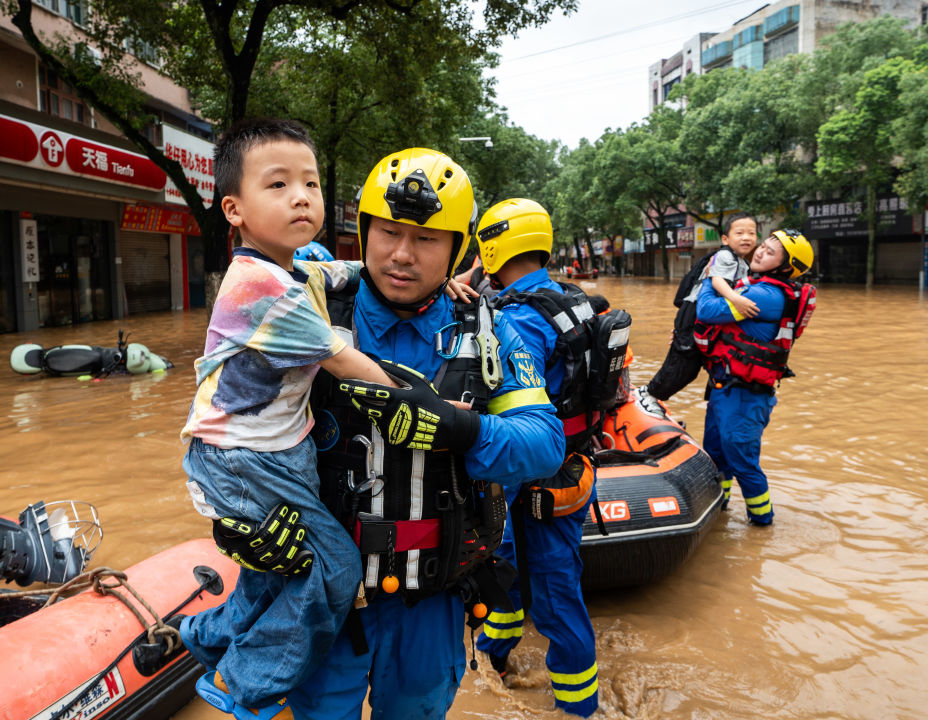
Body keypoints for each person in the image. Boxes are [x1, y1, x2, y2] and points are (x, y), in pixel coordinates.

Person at [205, 148, 566, 720]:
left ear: (458, 248)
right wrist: (239, 525)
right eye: (388, 233)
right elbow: (226, 423)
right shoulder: (306, 299)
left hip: (433, 600)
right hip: (321, 597)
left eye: (426, 239)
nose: (401, 255)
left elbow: (544, 445)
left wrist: (461, 429)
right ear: (363, 230)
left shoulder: (488, 330)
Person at [178, 117, 400, 720]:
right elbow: (348, 362)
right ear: (234, 209)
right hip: (242, 454)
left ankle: (207, 636)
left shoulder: (298, 266)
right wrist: (432, 408)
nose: (301, 196)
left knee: (279, 570)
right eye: (277, 185)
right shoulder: (260, 286)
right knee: (332, 566)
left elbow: (344, 273)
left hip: (279, 446)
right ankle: (242, 683)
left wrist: (437, 275)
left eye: (311, 183)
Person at [472, 198, 630, 717]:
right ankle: (497, 656)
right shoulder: (573, 300)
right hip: (571, 467)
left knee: (544, 585)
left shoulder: (519, 319)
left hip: (530, 474)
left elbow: (504, 400)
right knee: (532, 573)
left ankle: (576, 704)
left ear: (491, 245)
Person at [694, 229, 816, 526]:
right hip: (726, 388)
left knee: (743, 463)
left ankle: (762, 525)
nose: (760, 251)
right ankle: (720, 512)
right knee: (717, 457)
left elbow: (707, 310)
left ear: (786, 268)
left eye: (771, 252)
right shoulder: (757, 285)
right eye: (764, 245)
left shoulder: (767, 295)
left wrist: (713, 277)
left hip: (746, 396)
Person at [641, 213, 759, 404]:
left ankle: (652, 395)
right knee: (682, 362)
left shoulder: (743, 263)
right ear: (725, 239)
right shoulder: (725, 255)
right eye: (740, 233)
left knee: (691, 367)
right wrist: (735, 299)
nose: (746, 237)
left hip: (704, 315)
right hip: (693, 310)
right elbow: (717, 280)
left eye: (751, 233)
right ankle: (650, 396)